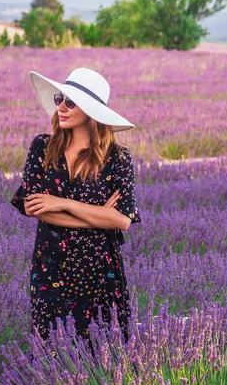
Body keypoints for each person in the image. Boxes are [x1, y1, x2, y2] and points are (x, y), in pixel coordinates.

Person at [10, 68, 141, 356]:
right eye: (60, 99)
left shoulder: (118, 159)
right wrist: (97, 216)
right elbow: (32, 206)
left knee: (101, 352)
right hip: (49, 265)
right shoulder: (42, 147)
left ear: (91, 111)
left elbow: (122, 220)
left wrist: (62, 203)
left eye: (70, 102)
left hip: (98, 271)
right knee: (49, 349)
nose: (61, 107)